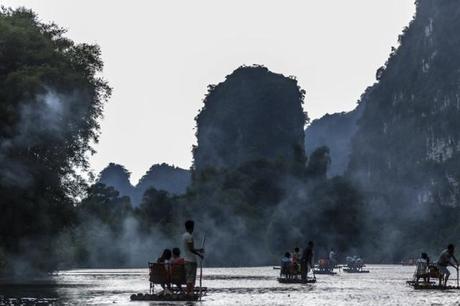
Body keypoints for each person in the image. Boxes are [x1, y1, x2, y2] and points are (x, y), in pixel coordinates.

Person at [182, 220, 204, 296]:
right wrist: (199, 255)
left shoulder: (184, 235)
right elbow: (191, 249)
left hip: (186, 260)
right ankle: (190, 293)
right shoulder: (189, 237)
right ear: (191, 227)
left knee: (189, 278)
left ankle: (189, 293)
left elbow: (190, 248)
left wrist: (199, 250)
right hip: (191, 260)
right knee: (191, 278)